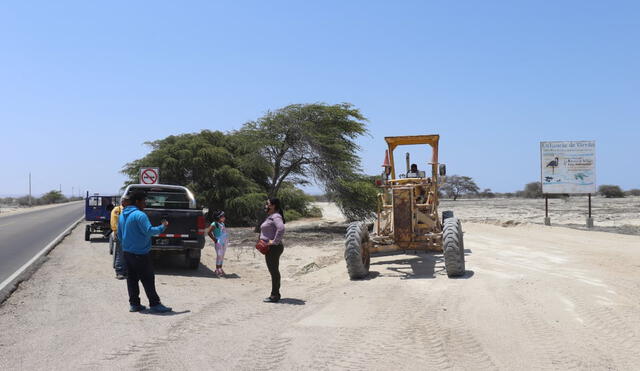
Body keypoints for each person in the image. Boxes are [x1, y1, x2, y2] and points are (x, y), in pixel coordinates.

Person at [118, 191, 172, 313]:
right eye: (143, 201)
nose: (145, 204)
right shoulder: (139, 215)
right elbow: (149, 231)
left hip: (127, 252)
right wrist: (162, 226)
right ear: (137, 202)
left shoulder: (122, 215)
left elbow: (120, 235)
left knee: (131, 279)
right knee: (147, 278)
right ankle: (155, 304)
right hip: (140, 253)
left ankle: (134, 304)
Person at [259, 198, 286, 303]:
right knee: (273, 271)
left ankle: (274, 295)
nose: (266, 205)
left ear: (273, 205)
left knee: (274, 272)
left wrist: (274, 241)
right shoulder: (271, 216)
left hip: (273, 248)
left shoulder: (276, 216)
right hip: (270, 248)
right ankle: (275, 294)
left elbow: (281, 229)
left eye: (268, 204)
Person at [110, 195, 130, 280]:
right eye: (128, 201)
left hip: (129, 235)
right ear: (123, 202)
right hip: (120, 234)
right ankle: (119, 272)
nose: (129, 203)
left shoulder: (129, 210)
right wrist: (116, 232)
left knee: (127, 254)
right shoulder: (117, 210)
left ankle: (126, 271)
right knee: (120, 253)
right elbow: (114, 223)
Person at [206, 210, 229, 277]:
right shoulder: (214, 224)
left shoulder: (222, 223)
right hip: (219, 241)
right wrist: (214, 239)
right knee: (219, 255)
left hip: (224, 241)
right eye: (222, 216)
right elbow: (209, 232)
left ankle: (220, 268)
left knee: (222, 255)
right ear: (218, 217)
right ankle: (217, 268)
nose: (224, 217)